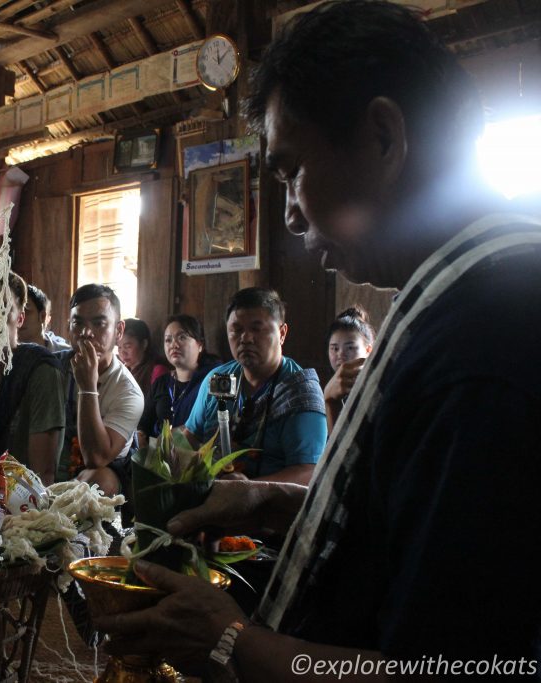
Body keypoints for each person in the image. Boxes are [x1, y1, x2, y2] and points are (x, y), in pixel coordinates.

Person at [96, 2, 541, 680]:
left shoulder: (482, 343)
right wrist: (269, 500)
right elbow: (418, 525)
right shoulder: (488, 285)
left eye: (290, 169)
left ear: (384, 138)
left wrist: (229, 643)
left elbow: (462, 667)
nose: (292, 212)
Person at [183, 288, 326, 485]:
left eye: (257, 329)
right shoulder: (218, 378)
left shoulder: (300, 391)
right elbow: (190, 437)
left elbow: (308, 472)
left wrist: (249, 490)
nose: (246, 338)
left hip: (272, 506)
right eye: (237, 329)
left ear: (282, 333)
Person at [0, 273, 65, 485]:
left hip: (19, 498)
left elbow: (42, 475)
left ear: (20, 318)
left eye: (0, 309)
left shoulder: (39, 370)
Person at [58, 284, 143, 496]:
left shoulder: (128, 391)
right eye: (78, 323)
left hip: (101, 474)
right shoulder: (52, 368)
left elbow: (96, 458)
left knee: (98, 482)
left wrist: (88, 387)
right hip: (53, 465)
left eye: (99, 324)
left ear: (119, 331)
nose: (86, 333)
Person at [137, 315, 220, 445]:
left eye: (182, 337)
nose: (173, 345)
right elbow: (143, 423)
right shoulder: (162, 383)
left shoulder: (212, 382)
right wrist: (140, 437)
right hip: (156, 456)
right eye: (168, 340)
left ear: (200, 345)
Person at [323, 306, 376, 432]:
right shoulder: (332, 388)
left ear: (368, 350)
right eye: (334, 348)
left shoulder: (375, 387)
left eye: (350, 348)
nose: (340, 354)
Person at [117, 318, 169, 396]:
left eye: (127, 346)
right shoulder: (122, 371)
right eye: (119, 347)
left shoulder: (158, 372)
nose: (123, 352)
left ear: (144, 344)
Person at [18, 283, 70, 352]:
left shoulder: (65, 353)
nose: (18, 317)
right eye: (13, 311)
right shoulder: (3, 355)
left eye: (25, 311)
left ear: (42, 316)